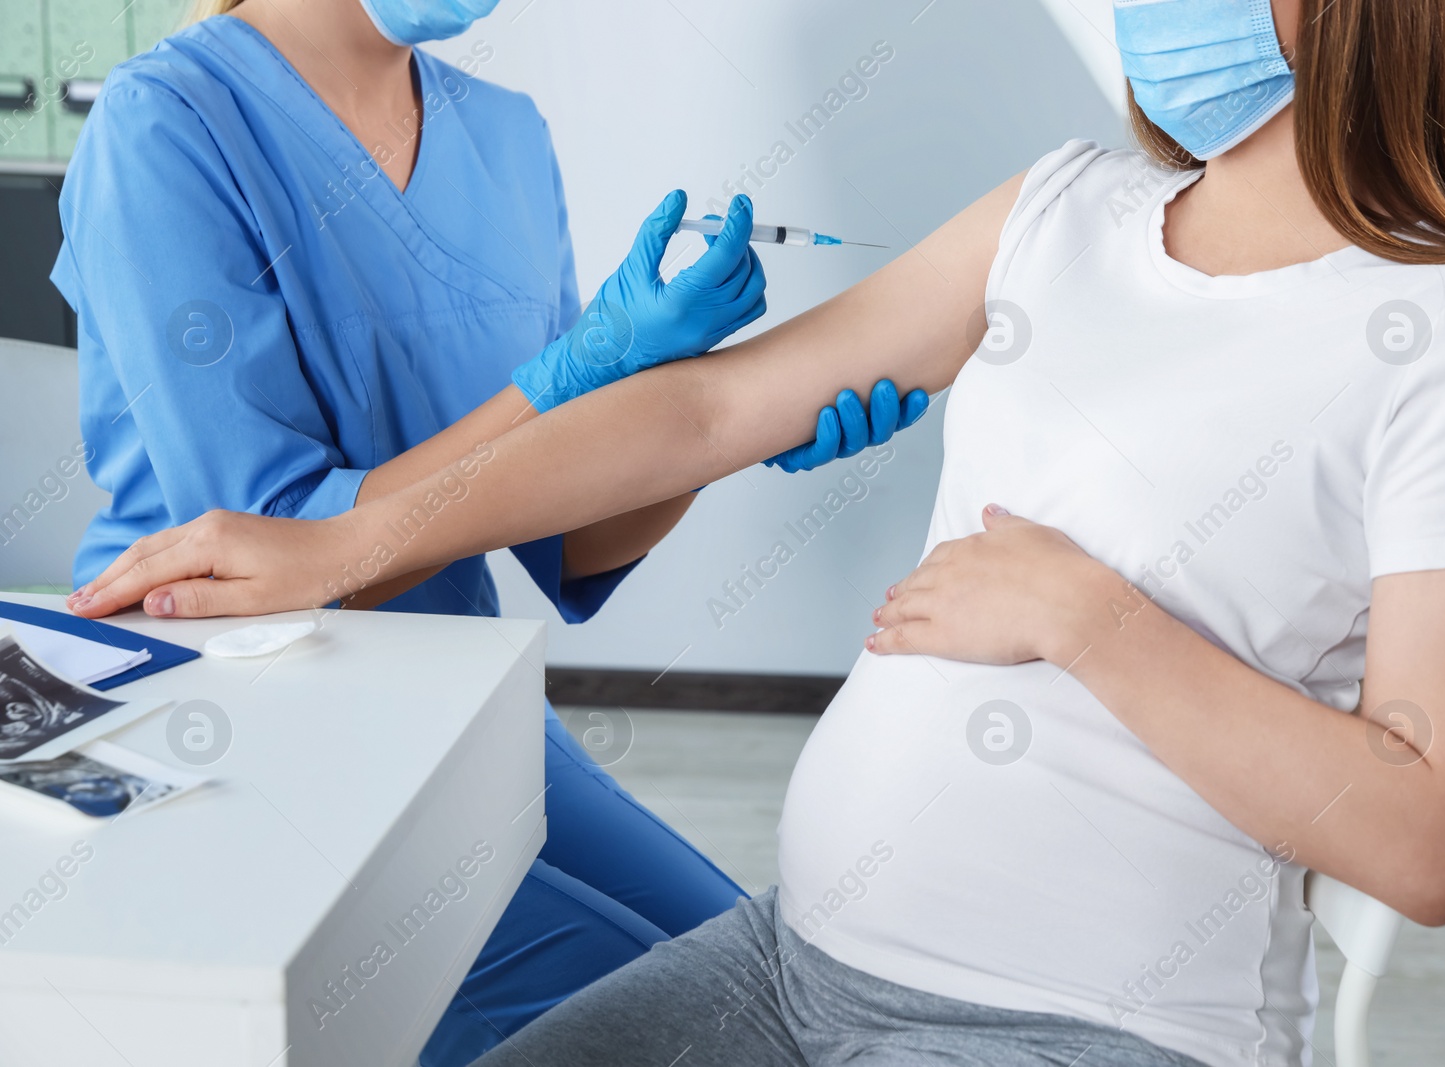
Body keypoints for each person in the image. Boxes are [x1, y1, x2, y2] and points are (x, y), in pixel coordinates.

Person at [70, 0, 1445, 1063]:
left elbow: (1433, 840)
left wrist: (1092, 617)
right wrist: (339, 546)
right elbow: (704, 414)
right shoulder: (1060, 209)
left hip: (1087, 1019)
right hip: (793, 962)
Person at [48, 0, 926, 1062]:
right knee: (728, 1039)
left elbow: (572, 542)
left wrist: (712, 427)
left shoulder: (505, 135)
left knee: (779, 985)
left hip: (452, 700)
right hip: (233, 724)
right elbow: (276, 558)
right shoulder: (166, 126)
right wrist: (569, 377)